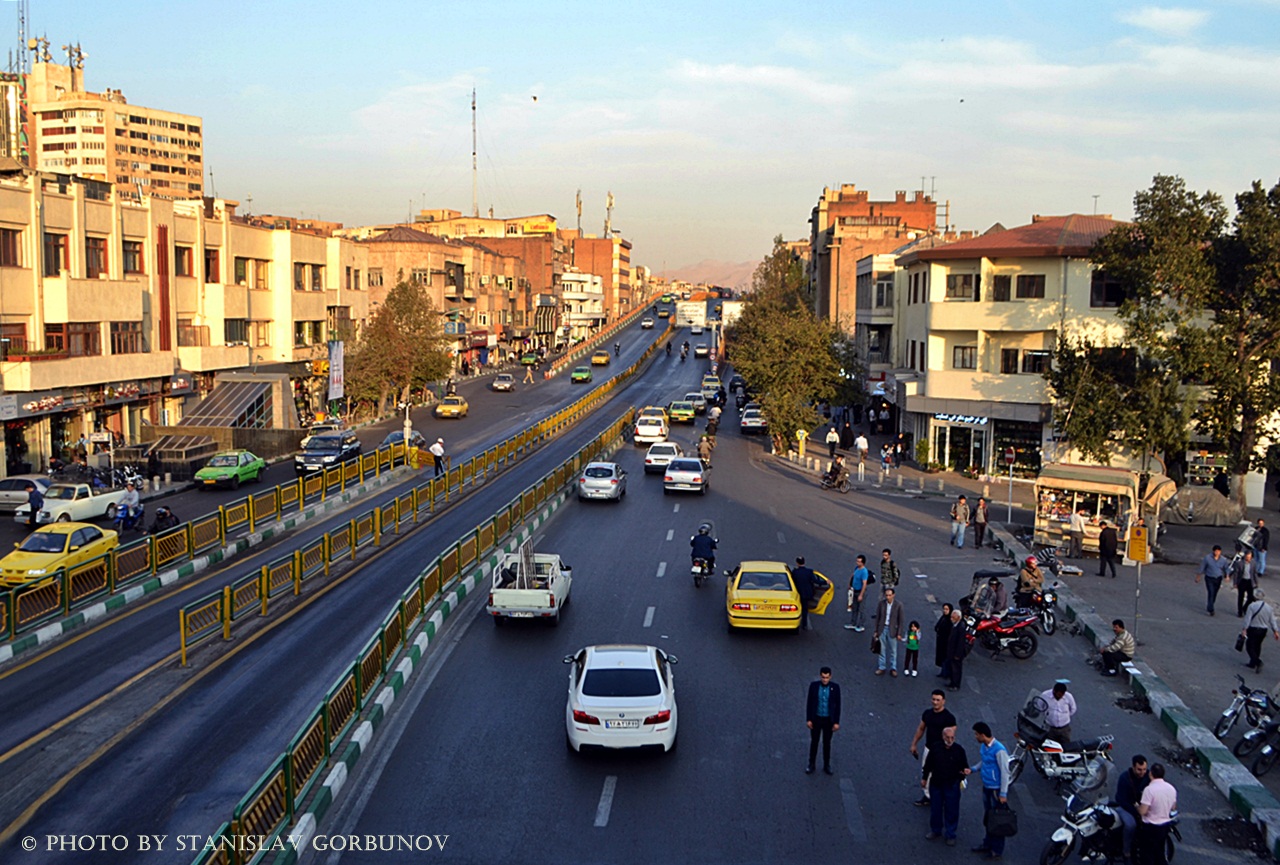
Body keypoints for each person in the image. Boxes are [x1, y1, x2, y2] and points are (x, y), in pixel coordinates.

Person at [921, 726, 970, 846]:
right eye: (947, 737)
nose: (950, 739)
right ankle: (936, 830)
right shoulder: (936, 748)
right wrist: (924, 778)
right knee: (935, 808)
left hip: (952, 784)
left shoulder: (959, 750)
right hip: (937, 783)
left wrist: (964, 773)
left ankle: (951, 833)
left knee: (952, 810)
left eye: (952, 737)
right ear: (943, 737)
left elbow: (964, 766)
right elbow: (928, 765)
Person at [971, 722, 1012, 860]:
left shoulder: (999, 750)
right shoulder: (985, 747)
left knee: (997, 820)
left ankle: (997, 849)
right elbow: (984, 761)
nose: (975, 737)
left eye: (976, 734)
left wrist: (1003, 793)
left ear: (983, 735)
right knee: (989, 818)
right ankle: (987, 844)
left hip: (995, 790)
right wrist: (973, 769)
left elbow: (1005, 772)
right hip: (987, 787)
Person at [911, 689, 958, 806]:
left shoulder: (949, 718)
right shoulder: (927, 714)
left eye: (938, 700)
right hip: (929, 748)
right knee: (926, 771)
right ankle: (928, 796)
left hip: (942, 751)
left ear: (944, 701)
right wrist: (914, 744)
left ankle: (942, 796)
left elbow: (951, 736)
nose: (935, 702)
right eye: (933, 699)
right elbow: (921, 728)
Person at [1137, 763, 1177, 865]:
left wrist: (1137, 807)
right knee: (1159, 852)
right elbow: (1173, 807)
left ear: (1151, 774)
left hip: (1150, 827)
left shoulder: (1149, 790)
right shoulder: (1171, 788)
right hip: (1164, 826)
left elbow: (1143, 811)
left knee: (1147, 855)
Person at [804, 666, 841, 775]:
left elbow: (837, 706)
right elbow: (809, 703)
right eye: (823, 677)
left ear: (830, 677)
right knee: (814, 742)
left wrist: (836, 722)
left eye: (827, 677)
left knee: (827, 743)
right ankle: (811, 764)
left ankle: (826, 765)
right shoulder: (814, 686)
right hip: (816, 719)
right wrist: (809, 719)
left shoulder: (835, 688)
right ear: (820, 676)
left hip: (828, 720)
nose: (825, 680)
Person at [1115, 755, 1150, 861]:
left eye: (1144, 769)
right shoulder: (1124, 778)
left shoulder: (1148, 776)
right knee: (1130, 825)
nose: (1142, 772)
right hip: (1126, 808)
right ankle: (1126, 851)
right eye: (1139, 770)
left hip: (1141, 808)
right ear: (1133, 767)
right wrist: (1136, 812)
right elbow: (1121, 800)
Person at [1242, 589, 1280, 672]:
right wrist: (1276, 631)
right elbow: (1272, 621)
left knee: (1249, 646)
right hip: (1263, 630)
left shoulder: (1252, 606)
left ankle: (1257, 662)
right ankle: (1253, 663)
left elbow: (1247, 619)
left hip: (1253, 629)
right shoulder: (1269, 608)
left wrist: (1244, 629)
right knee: (1257, 645)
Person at [874, 587, 906, 676]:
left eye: (889, 595)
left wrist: (899, 633)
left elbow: (901, 620)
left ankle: (893, 668)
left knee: (893, 650)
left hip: (893, 630)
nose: (888, 597)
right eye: (886, 595)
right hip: (882, 628)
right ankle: (882, 667)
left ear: (893, 595)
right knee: (881, 649)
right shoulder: (881, 604)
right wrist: (876, 630)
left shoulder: (898, 605)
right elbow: (878, 617)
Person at [1195, 544, 1232, 616]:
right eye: (1216, 551)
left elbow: (1226, 568)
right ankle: (1210, 608)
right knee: (1211, 592)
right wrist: (1198, 576)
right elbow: (1202, 567)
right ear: (1213, 551)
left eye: (1219, 551)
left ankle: (1211, 604)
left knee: (1215, 593)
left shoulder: (1223, 560)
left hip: (1218, 578)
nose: (1217, 553)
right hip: (1209, 578)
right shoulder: (1207, 558)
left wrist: (1227, 576)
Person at [844, 554, 870, 632]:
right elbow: (853, 576)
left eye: (859, 561)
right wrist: (849, 584)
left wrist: (861, 595)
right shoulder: (856, 568)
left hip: (860, 592)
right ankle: (853, 623)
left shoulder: (864, 572)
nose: (857, 562)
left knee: (861, 609)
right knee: (854, 608)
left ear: (863, 563)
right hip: (854, 591)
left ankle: (861, 625)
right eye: (857, 561)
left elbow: (864, 583)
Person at [792, 556, 819, 630]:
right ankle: (804, 624)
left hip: (797, 593)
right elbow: (815, 581)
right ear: (804, 562)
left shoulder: (795, 572)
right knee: (805, 609)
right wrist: (826, 582)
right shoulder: (809, 571)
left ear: (797, 563)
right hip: (807, 593)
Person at [946, 609, 968, 691]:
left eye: (953, 617)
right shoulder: (955, 625)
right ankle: (952, 683)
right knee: (952, 668)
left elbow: (960, 643)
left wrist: (957, 655)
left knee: (956, 670)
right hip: (952, 651)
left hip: (957, 653)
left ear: (958, 618)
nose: (951, 619)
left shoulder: (961, 627)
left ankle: (956, 685)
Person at [1235, 549, 1259, 617]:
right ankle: (1240, 611)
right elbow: (1236, 574)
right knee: (1241, 597)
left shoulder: (1253, 563)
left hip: (1250, 581)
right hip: (1242, 581)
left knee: (1251, 597)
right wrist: (1235, 583)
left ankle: (1244, 608)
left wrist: (1256, 582)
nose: (1249, 558)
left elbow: (1254, 573)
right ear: (1245, 556)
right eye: (1247, 557)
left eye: (1250, 557)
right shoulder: (1239, 563)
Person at [934, 603, 955, 677]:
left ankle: (946, 673)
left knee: (946, 658)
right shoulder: (943, 617)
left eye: (947, 609)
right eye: (944, 609)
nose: (945, 611)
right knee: (942, 657)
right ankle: (943, 672)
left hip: (946, 643)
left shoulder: (950, 621)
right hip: (941, 641)